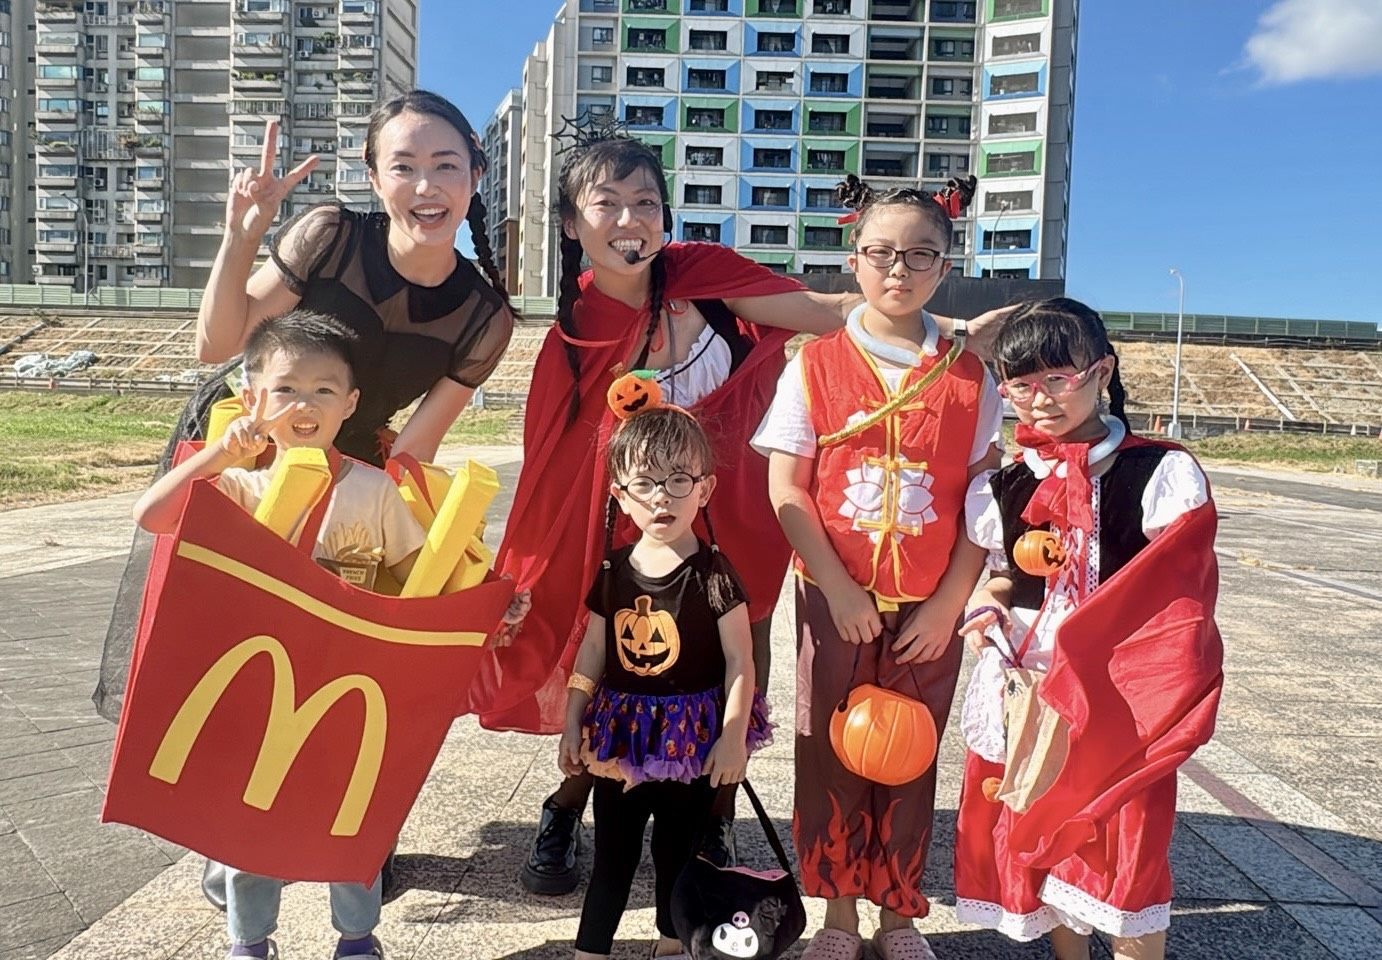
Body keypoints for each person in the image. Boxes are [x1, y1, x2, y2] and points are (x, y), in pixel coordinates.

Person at [463, 129, 1001, 895]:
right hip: (633, 532)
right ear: (571, 223)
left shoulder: (703, 278)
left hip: (739, 514)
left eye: (645, 202)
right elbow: (557, 470)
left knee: (740, 660)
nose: (628, 219)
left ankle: (715, 811)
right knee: (622, 668)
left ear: (666, 216)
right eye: (606, 203)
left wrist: (940, 329)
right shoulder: (573, 335)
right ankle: (570, 803)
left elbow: (825, 312)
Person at [94, 93, 515, 913]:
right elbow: (216, 346)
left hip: (352, 475)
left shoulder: (484, 315)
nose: (425, 184)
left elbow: (418, 447)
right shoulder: (330, 233)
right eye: (403, 165)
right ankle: (230, 833)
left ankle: (333, 832)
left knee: (331, 660)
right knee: (229, 650)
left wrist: (438, 568)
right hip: (248, 448)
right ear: (373, 176)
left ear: (475, 179)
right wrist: (241, 232)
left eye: (445, 166)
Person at [753, 175, 1003, 960]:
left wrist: (946, 606)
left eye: (921, 255)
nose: (900, 270)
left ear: (945, 264)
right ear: (853, 259)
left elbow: (983, 504)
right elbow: (786, 486)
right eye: (882, 253)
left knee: (910, 754)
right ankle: (835, 914)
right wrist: (835, 584)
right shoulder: (815, 363)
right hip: (832, 598)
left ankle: (898, 914)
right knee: (829, 751)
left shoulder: (971, 377)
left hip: (930, 604)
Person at [132, 310, 423, 960]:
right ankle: (249, 940)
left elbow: (416, 578)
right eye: (286, 388)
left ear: (349, 403)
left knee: (351, 814)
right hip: (256, 690)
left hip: (346, 688)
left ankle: (357, 937)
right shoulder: (238, 485)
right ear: (255, 399)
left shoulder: (374, 491)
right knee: (246, 821)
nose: (305, 403)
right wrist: (218, 453)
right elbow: (152, 516)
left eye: (324, 389)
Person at [952, 299, 1222, 960]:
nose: (1038, 399)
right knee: (1046, 838)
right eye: (1019, 383)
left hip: (1119, 698)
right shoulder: (1008, 485)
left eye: (1057, 379)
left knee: (1126, 845)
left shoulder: (1157, 473)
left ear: (1101, 371)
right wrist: (985, 615)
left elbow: (1180, 597)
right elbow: (1001, 576)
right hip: (1031, 690)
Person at [560, 404, 771, 960]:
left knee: (678, 853)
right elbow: (594, 648)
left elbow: (740, 661)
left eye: (679, 480)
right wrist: (571, 718)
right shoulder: (612, 571)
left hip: (692, 739)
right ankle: (590, 950)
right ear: (618, 492)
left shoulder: (715, 575)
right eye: (646, 482)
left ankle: (672, 943)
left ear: (705, 488)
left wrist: (731, 738)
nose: (662, 497)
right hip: (620, 739)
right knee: (614, 852)